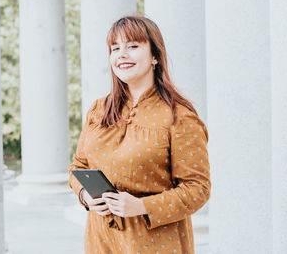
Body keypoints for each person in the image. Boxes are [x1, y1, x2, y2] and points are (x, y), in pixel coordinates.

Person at [68, 15, 211, 254]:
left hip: (155, 245)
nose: (121, 54)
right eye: (115, 48)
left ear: (155, 56)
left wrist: (142, 206)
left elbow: (198, 188)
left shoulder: (179, 116)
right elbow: (78, 166)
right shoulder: (98, 110)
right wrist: (85, 196)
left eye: (132, 46)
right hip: (100, 242)